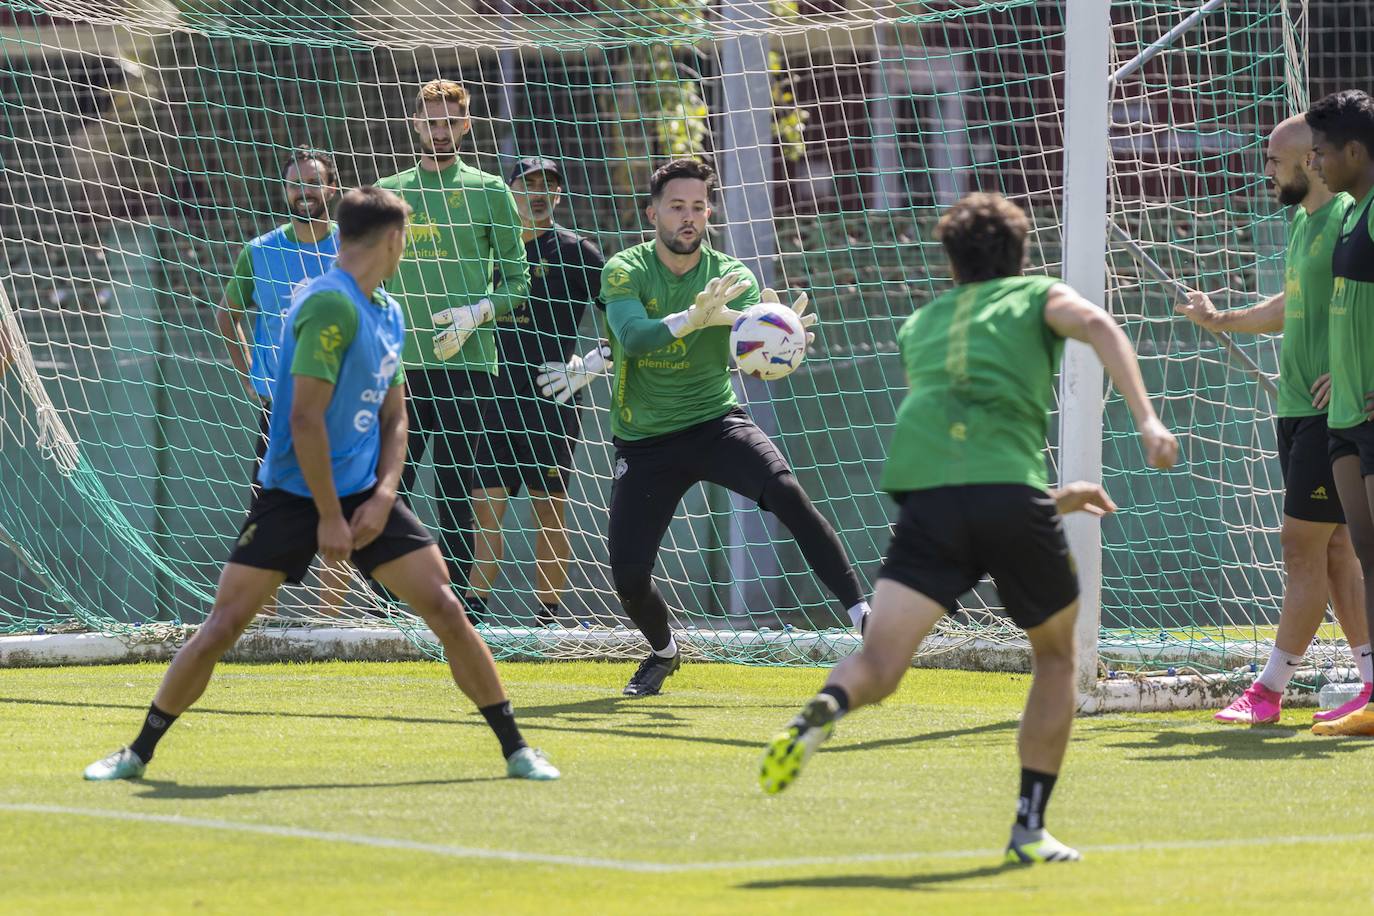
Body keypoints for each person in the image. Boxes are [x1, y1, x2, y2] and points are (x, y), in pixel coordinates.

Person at [83, 186, 559, 782]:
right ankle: (137, 752)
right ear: (392, 240)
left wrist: (384, 495)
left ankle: (517, 749)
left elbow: (396, 418)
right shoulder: (326, 305)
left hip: (363, 493)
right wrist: (331, 517)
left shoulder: (387, 310)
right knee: (225, 625)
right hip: (294, 494)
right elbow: (303, 419)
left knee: (444, 606)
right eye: (406, 238)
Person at [758, 192, 1178, 865]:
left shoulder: (920, 325)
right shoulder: (1035, 294)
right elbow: (1098, 324)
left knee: (879, 663)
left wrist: (1056, 498)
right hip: (1007, 498)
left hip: (929, 505)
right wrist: (1148, 419)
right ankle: (1028, 828)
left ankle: (825, 707)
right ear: (1021, 255)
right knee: (1056, 658)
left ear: (950, 263)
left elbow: (962, 451)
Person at [599, 157, 870, 698]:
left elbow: (754, 329)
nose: (688, 217)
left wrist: (781, 334)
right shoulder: (624, 268)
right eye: (676, 206)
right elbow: (634, 339)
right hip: (647, 442)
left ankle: (864, 616)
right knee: (629, 578)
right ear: (652, 212)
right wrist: (690, 319)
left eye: (698, 206)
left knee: (788, 493)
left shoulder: (732, 275)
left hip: (716, 423)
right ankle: (663, 653)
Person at [1176, 115, 1370, 725]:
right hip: (1294, 408)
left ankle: (1268, 691)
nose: (1267, 171)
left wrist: (1354, 368)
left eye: (1275, 160)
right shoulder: (1300, 222)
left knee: (1299, 545)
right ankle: (1370, 680)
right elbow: (1294, 306)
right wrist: (1224, 320)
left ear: (1313, 161)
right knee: (1334, 549)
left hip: (1327, 413)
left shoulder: (1347, 214)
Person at [376, 79, 531, 599]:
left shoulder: (490, 191)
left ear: (466, 125)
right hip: (398, 368)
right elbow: (367, 276)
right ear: (416, 124)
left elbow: (519, 282)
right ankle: (386, 606)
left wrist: (477, 311)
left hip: (468, 368)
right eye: (431, 122)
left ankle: (457, 611)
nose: (440, 131)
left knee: (457, 495)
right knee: (386, 488)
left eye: (450, 122)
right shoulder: (389, 191)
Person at [465, 157, 608, 625]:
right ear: (509, 191)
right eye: (528, 184)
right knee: (486, 513)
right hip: (488, 399)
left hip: (551, 398)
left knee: (550, 512)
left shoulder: (578, 252)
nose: (538, 193)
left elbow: (624, 320)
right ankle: (473, 619)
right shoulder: (484, 249)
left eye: (549, 185)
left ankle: (547, 621)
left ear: (560, 195)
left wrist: (591, 363)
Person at [217, 147, 350, 616]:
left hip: (339, 407)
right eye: (296, 182)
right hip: (280, 409)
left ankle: (329, 623)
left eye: (313, 182)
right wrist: (249, 372)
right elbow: (227, 314)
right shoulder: (260, 251)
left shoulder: (353, 249)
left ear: (331, 188)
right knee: (270, 517)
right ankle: (266, 623)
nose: (304, 191)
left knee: (335, 514)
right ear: (284, 190)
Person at [1305, 89, 1374, 736]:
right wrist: (1344, 368)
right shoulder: (1352, 213)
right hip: (1346, 414)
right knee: (1365, 550)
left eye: (1322, 151)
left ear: (1355, 150)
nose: (1315, 162)